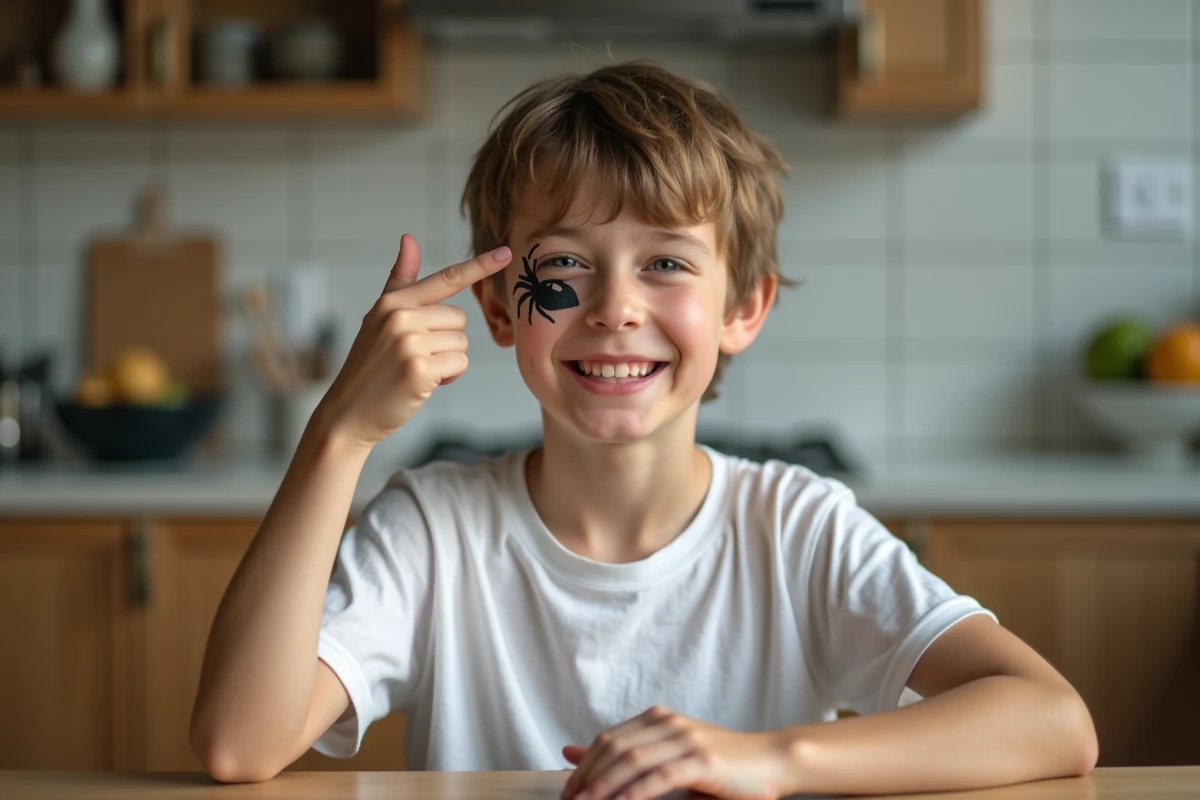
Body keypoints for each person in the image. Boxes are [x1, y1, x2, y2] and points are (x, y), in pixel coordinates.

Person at [190, 62, 1098, 798]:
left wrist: (771, 761)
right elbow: (239, 744)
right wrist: (338, 435)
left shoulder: (798, 527)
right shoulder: (431, 530)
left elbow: (1053, 719)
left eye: (665, 262)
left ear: (744, 306)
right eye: (567, 267)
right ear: (503, 310)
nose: (615, 308)